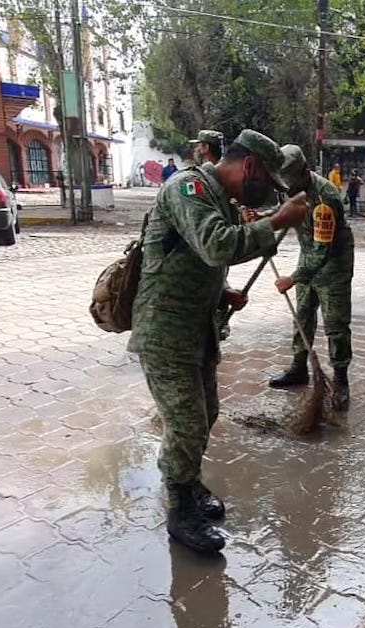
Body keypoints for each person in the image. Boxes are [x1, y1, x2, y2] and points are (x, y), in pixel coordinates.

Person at [128, 130, 309, 555]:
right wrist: (278, 221)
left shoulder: (217, 197)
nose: (267, 194)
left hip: (197, 326)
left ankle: (188, 484)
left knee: (206, 413)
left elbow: (198, 259)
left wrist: (222, 292)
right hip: (165, 330)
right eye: (266, 181)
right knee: (186, 423)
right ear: (249, 167)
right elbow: (215, 246)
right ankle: (179, 512)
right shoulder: (188, 188)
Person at [268, 145, 355, 411]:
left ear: (304, 172)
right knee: (302, 315)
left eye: (289, 181)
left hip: (334, 264)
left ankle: (340, 380)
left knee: (335, 324)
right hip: (308, 257)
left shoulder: (325, 198)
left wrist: (292, 278)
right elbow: (285, 218)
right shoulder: (292, 190)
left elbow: (322, 251)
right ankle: (298, 368)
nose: (285, 187)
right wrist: (262, 221)